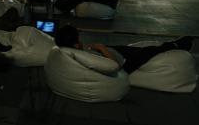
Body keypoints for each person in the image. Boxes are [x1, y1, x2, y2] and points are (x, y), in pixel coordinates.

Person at [55, 25, 193, 74]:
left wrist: (93, 47)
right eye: (78, 39)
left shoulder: (70, 51)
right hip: (125, 63)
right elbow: (112, 65)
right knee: (149, 51)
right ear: (74, 44)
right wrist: (102, 48)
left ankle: (173, 44)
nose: (80, 40)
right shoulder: (82, 55)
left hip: (117, 51)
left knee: (144, 48)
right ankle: (177, 45)